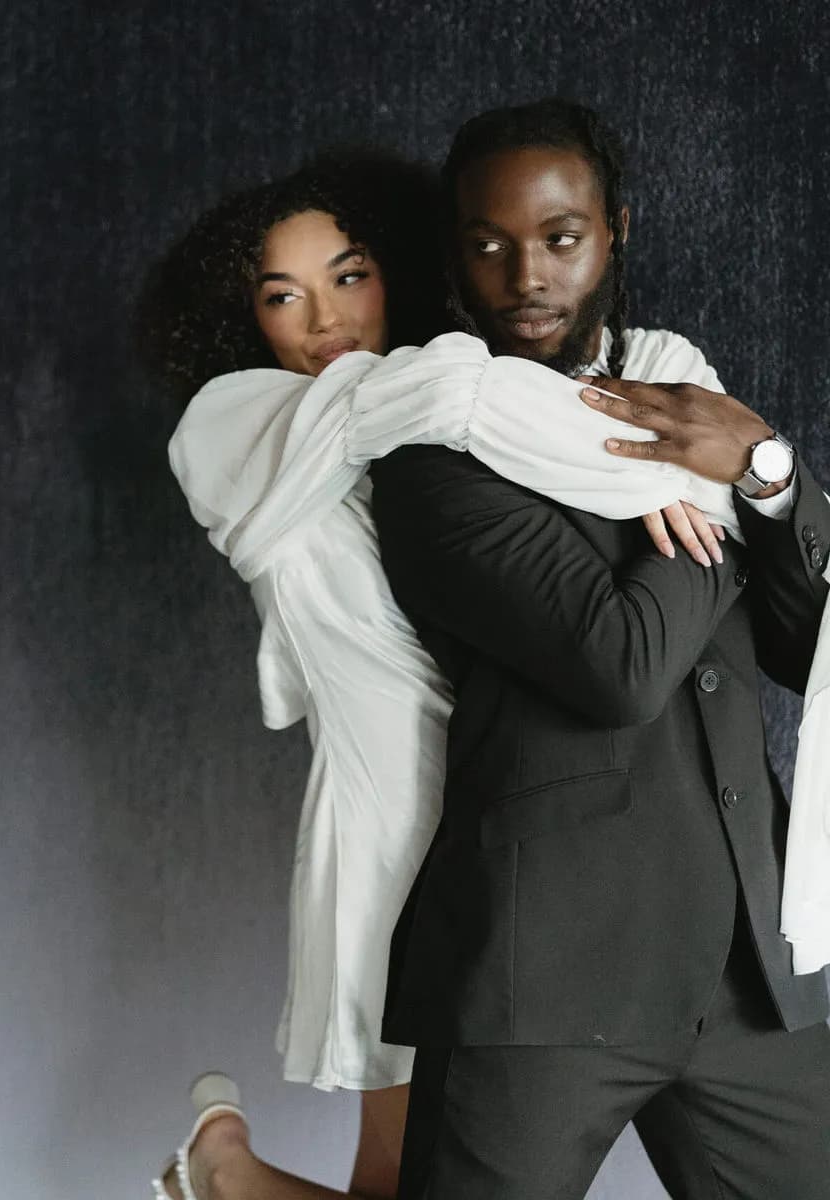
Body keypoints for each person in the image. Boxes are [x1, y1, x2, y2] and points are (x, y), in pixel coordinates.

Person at [143, 152, 738, 1200]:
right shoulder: (234, 423)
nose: (323, 316)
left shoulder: (440, 431)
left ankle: (224, 1176)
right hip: (389, 833)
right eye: (281, 294)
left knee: (407, 1179)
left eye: (349, 273)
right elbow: (437, 391)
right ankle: (224, 1173)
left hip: (487, 820)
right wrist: (684, 455)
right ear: (245, 318)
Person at [369, 98, 830, 1199]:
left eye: (560, 238)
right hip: (543, 982)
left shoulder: (684, 402)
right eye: (490, 244)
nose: (526, 274)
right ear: (456, 256)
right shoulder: (435, 450)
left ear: (613, 231)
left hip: (745, 977)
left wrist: (766, 469)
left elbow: (808, 644)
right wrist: (709, 482)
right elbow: (617, 666)